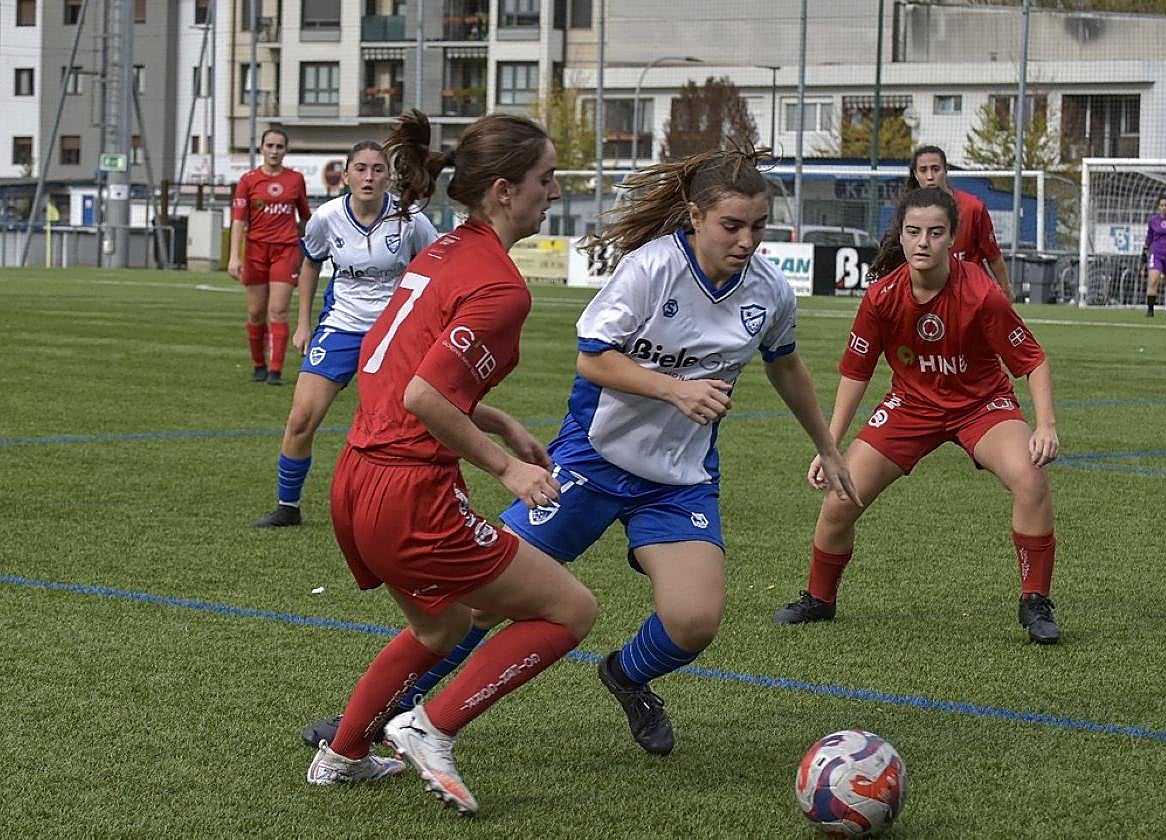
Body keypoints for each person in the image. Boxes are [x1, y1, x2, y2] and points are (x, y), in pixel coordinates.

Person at [301, 147, 859, 759]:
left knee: (695, 621)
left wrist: (827, 446)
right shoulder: (651, 269)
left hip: (678, 479)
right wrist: (675, 388)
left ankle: (628, 675)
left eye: (759, 226)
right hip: (589, 462)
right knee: (480, 604)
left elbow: (786, 364)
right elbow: (593, 358)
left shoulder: (769, 291)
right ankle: (383, 715)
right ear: (695, 216)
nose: (748, 240)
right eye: (733, 225)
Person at [305, 111, 598, 816]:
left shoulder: (440, 254)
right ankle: (430, 728)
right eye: (545, 178)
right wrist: (508, 467)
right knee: (571, 610)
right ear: (503, 189)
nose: (553, 191)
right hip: (409, 489)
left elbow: (395, 370)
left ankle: (342, 754)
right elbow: (425, 392)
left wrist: (496, 419)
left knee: (444, 627)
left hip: (357, 478)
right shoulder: (501, 286)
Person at [773, 186, 1063, 645]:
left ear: (952, 238)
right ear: (901, 237)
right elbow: (856, 374)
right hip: (911, 406)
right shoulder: (882, 298)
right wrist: (828, 447)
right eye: (913, 232)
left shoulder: (981, 294)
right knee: (839, 500)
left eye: (935, 232)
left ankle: (1035, 602)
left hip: (981, 405)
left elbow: (1032, 360)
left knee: (1030, 478)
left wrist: (1045, 425)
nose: (923, 241)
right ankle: (819, 598)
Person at [251, 139, 440, 528]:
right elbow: (310, 264)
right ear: (347, 174)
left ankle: (416, 507)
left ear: (389, 176)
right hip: (341, 327)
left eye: (378, 169)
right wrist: (304, 323)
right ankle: (288, 506)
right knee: (302, 417)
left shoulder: (411, 219)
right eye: (361, 169)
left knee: (410, 425)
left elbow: (437, 271)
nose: (369, 177)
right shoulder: (327, 217)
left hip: (395, 332)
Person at [228, 129, 312, 385]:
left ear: (286, 150)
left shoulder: (296, 179)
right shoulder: (248, 180)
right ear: (261, 148)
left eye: (279, 146)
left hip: (285, 251)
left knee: (278, 310)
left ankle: (275, 371)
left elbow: (305, 217)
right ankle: (258, 365)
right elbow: (239, 220)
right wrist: (234, 256)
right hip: (255, 252)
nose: (274, 151)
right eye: (270, 146)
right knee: (256, 312)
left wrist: (309, 248)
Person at [904, 145, 1014, 302]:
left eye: (935, 169)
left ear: (946, 170)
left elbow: (993, 255)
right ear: (915, 174)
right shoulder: (909, 211)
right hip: (928, 293)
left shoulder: (972, 207)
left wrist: (1005, 290)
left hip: (969, 292)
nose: (930, 176)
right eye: (923, 170)